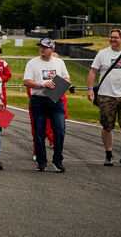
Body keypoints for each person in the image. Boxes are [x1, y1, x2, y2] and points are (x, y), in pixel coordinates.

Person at [87, 29, 121, 168]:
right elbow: (93, 71)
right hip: (106, 96)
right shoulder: (102, 54)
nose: (112, 39)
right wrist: (89, 89)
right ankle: (109, 154)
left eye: (116, 38)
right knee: (107, 126)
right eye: (111, 37)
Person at [23, 38, 71, 172]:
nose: (42, 49)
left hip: (56, 100)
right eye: (40, 46)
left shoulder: (59, 62)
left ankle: (57, 160)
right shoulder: (33, 63)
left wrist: (61, 84)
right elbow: (26, 81)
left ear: (52, 49)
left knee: (60, 129)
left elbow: (67, 78)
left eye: (45, 47)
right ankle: (41, 161)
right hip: (38, 100)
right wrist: (41, 85)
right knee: (39, 132)